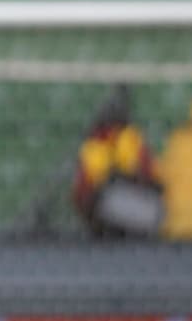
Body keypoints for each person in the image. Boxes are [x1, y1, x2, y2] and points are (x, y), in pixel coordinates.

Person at [71, 89, 165, 237]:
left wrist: (129, 178)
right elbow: (83, 191)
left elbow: (154, 183)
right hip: (103, 208)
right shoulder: (95, 144)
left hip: (136, 202)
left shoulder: (131, 139)